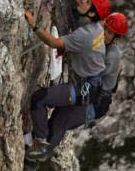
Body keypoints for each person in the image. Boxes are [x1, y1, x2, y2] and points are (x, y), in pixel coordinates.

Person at [29, 12, 129, 163]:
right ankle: (36, 151)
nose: (105, 34)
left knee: (59, 121)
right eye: (105, 29)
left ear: (116, 38)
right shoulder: (101, 44)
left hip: (94, 102)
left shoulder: (112, 55)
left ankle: (34, 159)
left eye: (109, 33)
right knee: (56, 119)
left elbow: (92, 69)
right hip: (88, 93)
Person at [23, 0, 111, 159]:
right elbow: (86, 48)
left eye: (87, 1)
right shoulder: (96, 29)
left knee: (40, 99)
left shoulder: (86, 35)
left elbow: (53, 42)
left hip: (83, 91)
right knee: (57, 123)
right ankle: (32, 159)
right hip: (90, 90)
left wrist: (34, 25)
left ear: (92, 12)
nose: (83, 1)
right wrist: (79, 4)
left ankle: (39, 142)